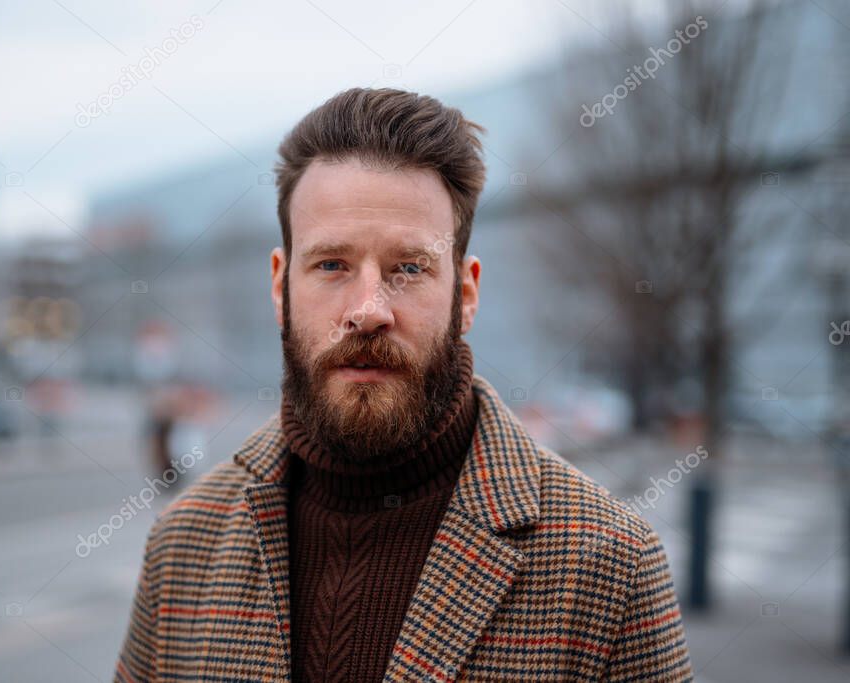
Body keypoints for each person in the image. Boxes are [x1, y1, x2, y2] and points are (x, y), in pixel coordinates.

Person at [115, 88, 692, 682]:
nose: (368, 311)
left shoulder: (608, 564)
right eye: (332, 265)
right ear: (280, 287)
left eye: (409, 268)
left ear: (465, 295)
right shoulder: (182, 545)